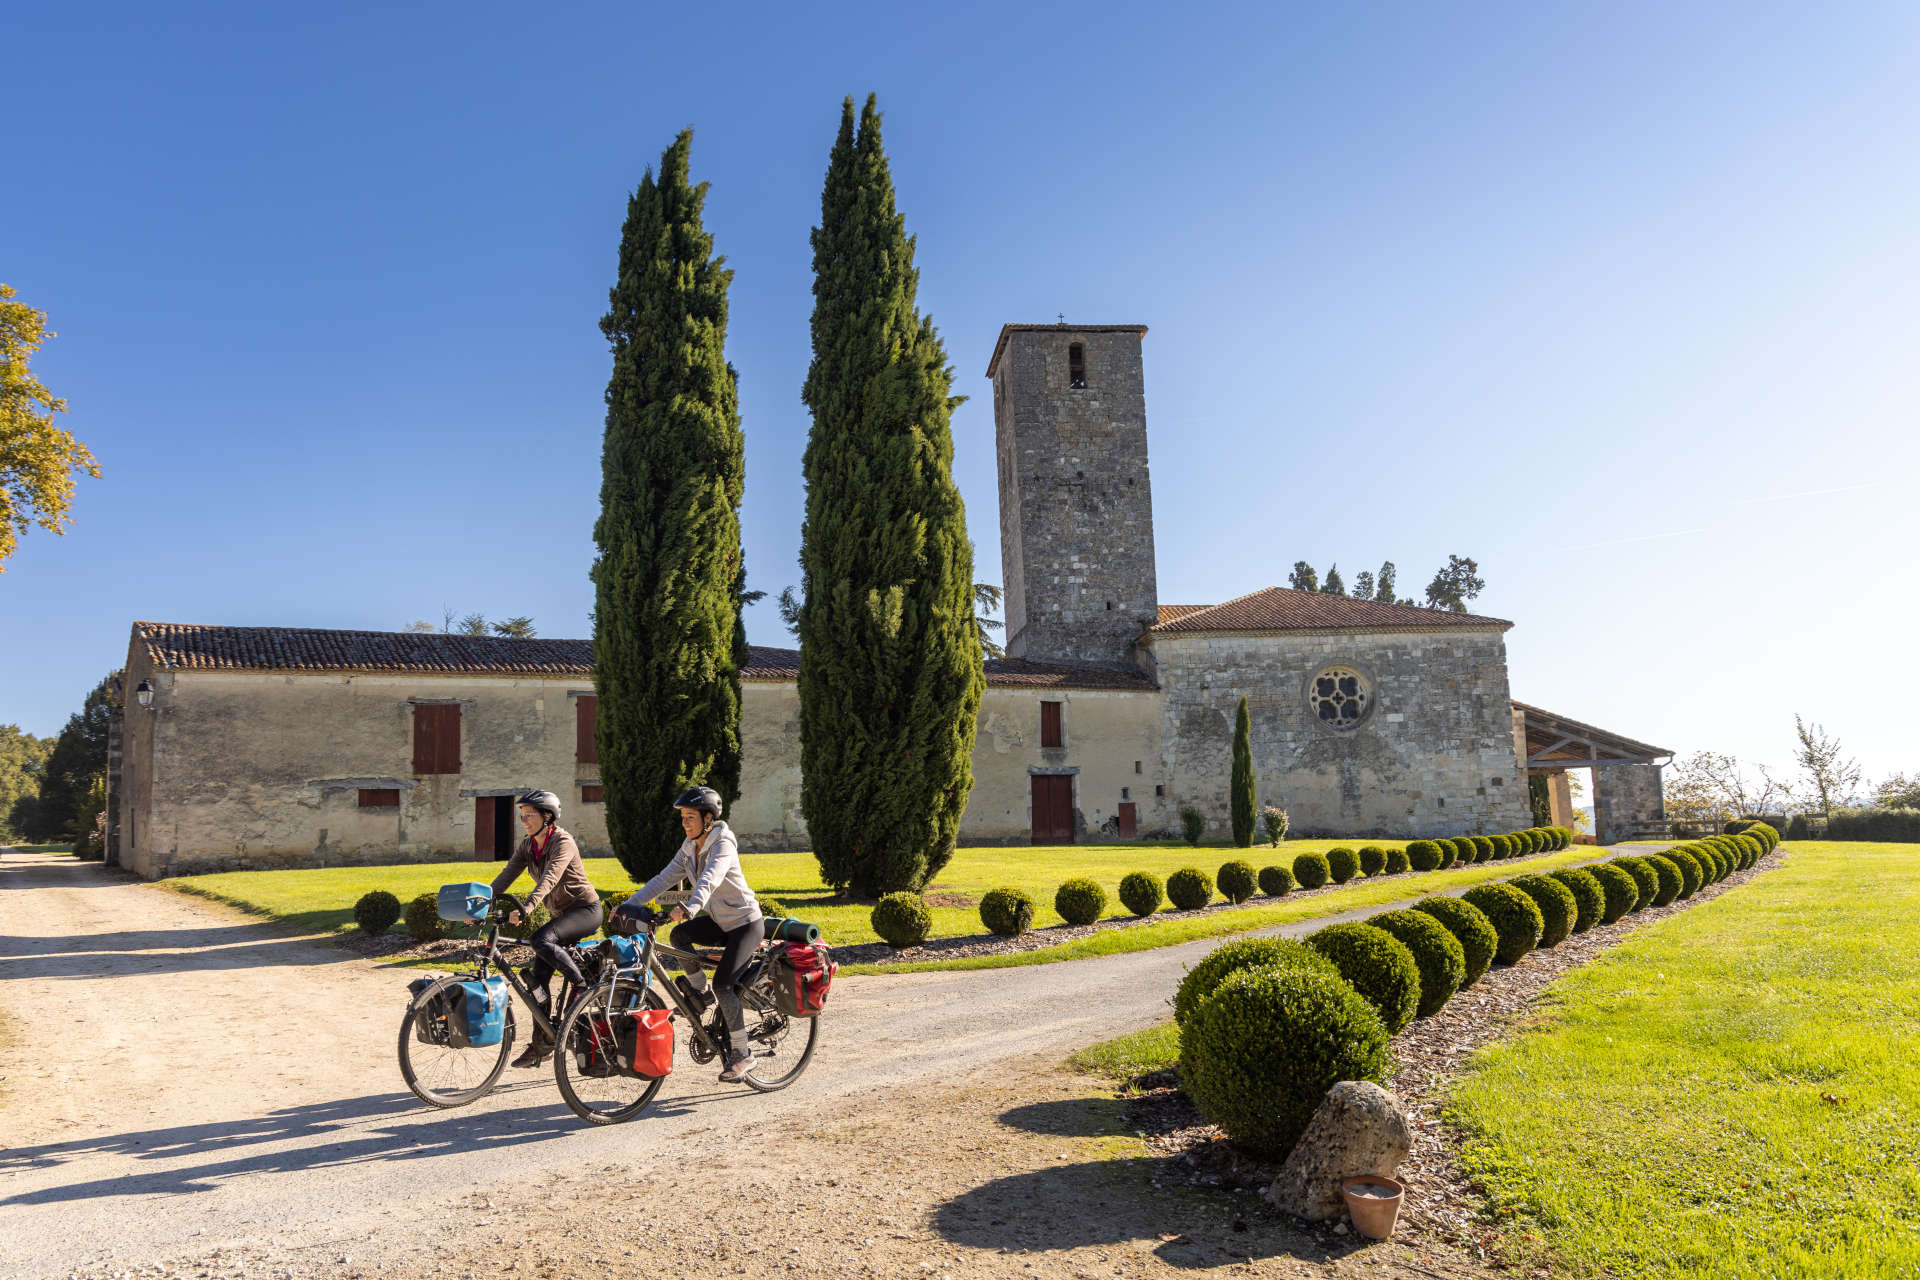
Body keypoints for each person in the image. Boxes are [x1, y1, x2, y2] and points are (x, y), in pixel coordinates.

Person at [615, 786, 763, 1083]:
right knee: (679, 936)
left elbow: (710, 879)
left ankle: (742, 1052)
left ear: (708, 818)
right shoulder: (689, 847)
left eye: (690, 817)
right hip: (721, 923)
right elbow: (663, 879)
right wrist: (629, 904)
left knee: (725, 986)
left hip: (745, 924)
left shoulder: (723, 844)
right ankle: (701, 992)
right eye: (682, 817)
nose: (684, 822)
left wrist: (691, 906)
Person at [489, 790, 601, 1068]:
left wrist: (527, 907)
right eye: (522, 815)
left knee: (540, 939)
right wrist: (480, 902)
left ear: (548, 817)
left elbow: (550, 877)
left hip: (585, 911)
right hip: (562, 916)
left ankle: (582, 985)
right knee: (537, 983)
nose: (524, 820)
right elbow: (506, 875)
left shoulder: (563, 842)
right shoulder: (528, 846)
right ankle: (542, 1045)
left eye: (530, 815)